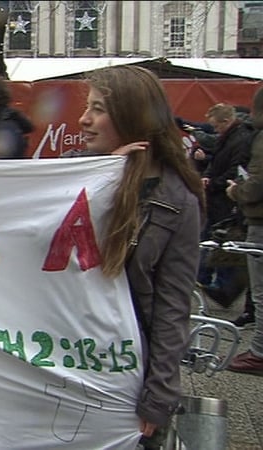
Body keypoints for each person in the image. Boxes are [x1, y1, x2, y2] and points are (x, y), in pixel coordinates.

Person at [67, 65, 204, 449]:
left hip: (120, 370)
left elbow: (172, 305)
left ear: (132, 117)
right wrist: (104, 177)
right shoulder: (70, 173)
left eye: (98, 109)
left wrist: (159, 394)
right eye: (87, 107)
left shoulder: (177, 201)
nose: (83, 119)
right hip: (58, 355)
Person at [196, 104, 254, 306]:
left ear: (227, 121)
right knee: (211, 240)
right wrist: (207, 175)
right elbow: (216, 161)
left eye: (217, 126)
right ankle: (205, 280)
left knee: (225, 243)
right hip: (217, 198)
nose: (215, 130)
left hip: (227, 200)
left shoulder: (241, 140)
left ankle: (224, 288)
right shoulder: (227, 138)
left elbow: (236, 169)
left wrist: (214, 182)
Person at [225, 86, 263, 374]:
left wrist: (236, 191)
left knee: (260, 291)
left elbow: (256, 186)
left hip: (260, 222)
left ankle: (259, 352)